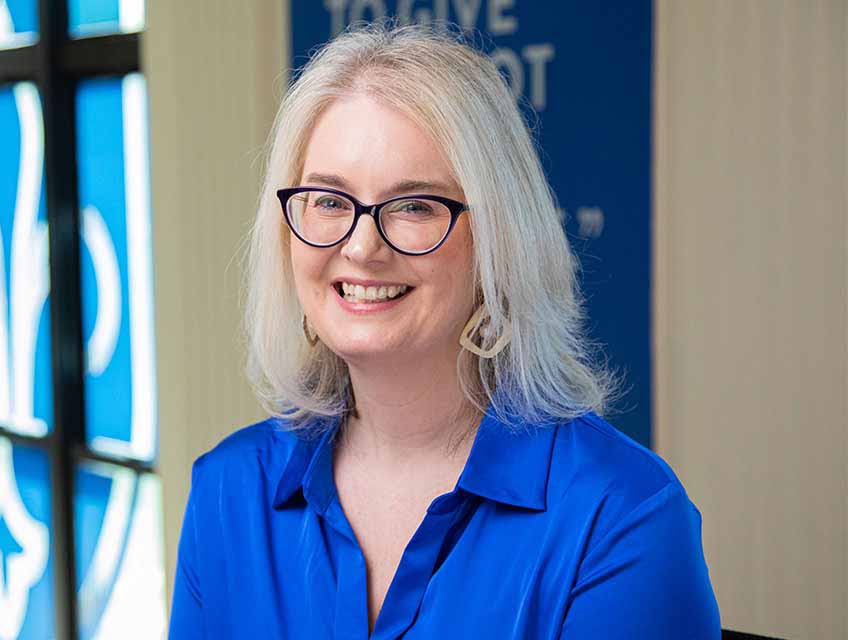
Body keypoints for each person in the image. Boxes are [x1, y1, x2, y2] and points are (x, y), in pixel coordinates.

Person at [168, 22, 720, 639]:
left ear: (497, 241)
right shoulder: (228, 491)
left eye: (415, 206)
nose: (362, 247)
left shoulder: (620, 517)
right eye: (328, 201)